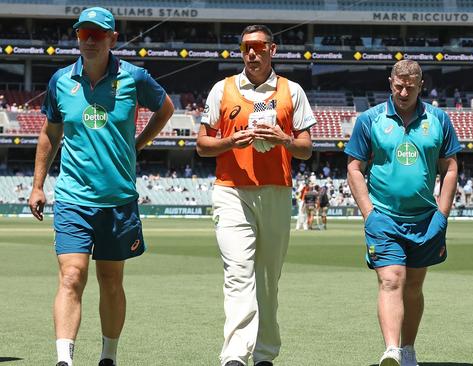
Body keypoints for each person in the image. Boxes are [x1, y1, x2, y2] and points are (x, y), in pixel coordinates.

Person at [28, 7, 174, 366]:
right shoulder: (61, 81)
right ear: (77, 38)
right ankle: (65, 360)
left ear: (112, 38)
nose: (90, 40)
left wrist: (137, 145)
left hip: (119, 201)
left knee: (111, 280)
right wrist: (37, 185)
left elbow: (165, 108)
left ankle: (108, 357)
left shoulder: (135, 78)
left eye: (97, 34)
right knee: (72, 275)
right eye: (83, 34)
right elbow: (50, 133)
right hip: (74, 199)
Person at [196, 24, 316, 366]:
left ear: (272, 50)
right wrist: (228, 142)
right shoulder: (222, 89)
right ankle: (234, 356)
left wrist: (284, 139)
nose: (252, 52)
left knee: (267, 280)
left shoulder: (292, 91)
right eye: (246, 46)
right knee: (238, 272)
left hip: (276, 191)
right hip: (231, 191)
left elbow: (307, 148)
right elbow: (203, 144)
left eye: (259, 46)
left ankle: (264, 355)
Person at [346, 60, 461, 366]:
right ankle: (392, 350)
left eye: (410, 86)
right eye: (398, 85)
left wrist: (443, 213)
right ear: (390, 82)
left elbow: (449, 168)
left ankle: (408, 349)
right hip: (383, 218)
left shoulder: (438, 119)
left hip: (426, 219)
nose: (404, 91)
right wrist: (369, 213)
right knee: (391, 280)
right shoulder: (370, 119)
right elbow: (354, 168)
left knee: (413, 286)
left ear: (421, 85)